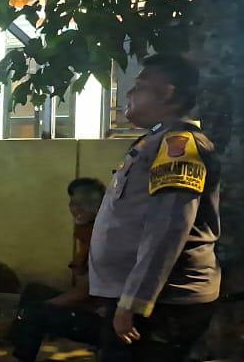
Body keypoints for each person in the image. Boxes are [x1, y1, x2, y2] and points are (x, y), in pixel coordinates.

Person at [89, 54, 220, 362]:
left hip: (163, 302)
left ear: (168, 94)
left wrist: (135, 301)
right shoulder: (154, 141)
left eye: (140, 86)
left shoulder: (179, 145)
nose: (129, 93)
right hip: (146, 297)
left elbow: (169, 228)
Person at [9, 178, 105, 361]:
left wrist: (45, 307)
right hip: (92, 307)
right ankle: (17, 342)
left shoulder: (103, 236)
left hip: (107, 322)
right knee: (34, 291)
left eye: (87, 203)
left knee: (35, 313)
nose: (77, 209)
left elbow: (83, 293)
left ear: (102, 205)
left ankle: (22, 355)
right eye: (74, 203)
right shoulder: (86, 230)